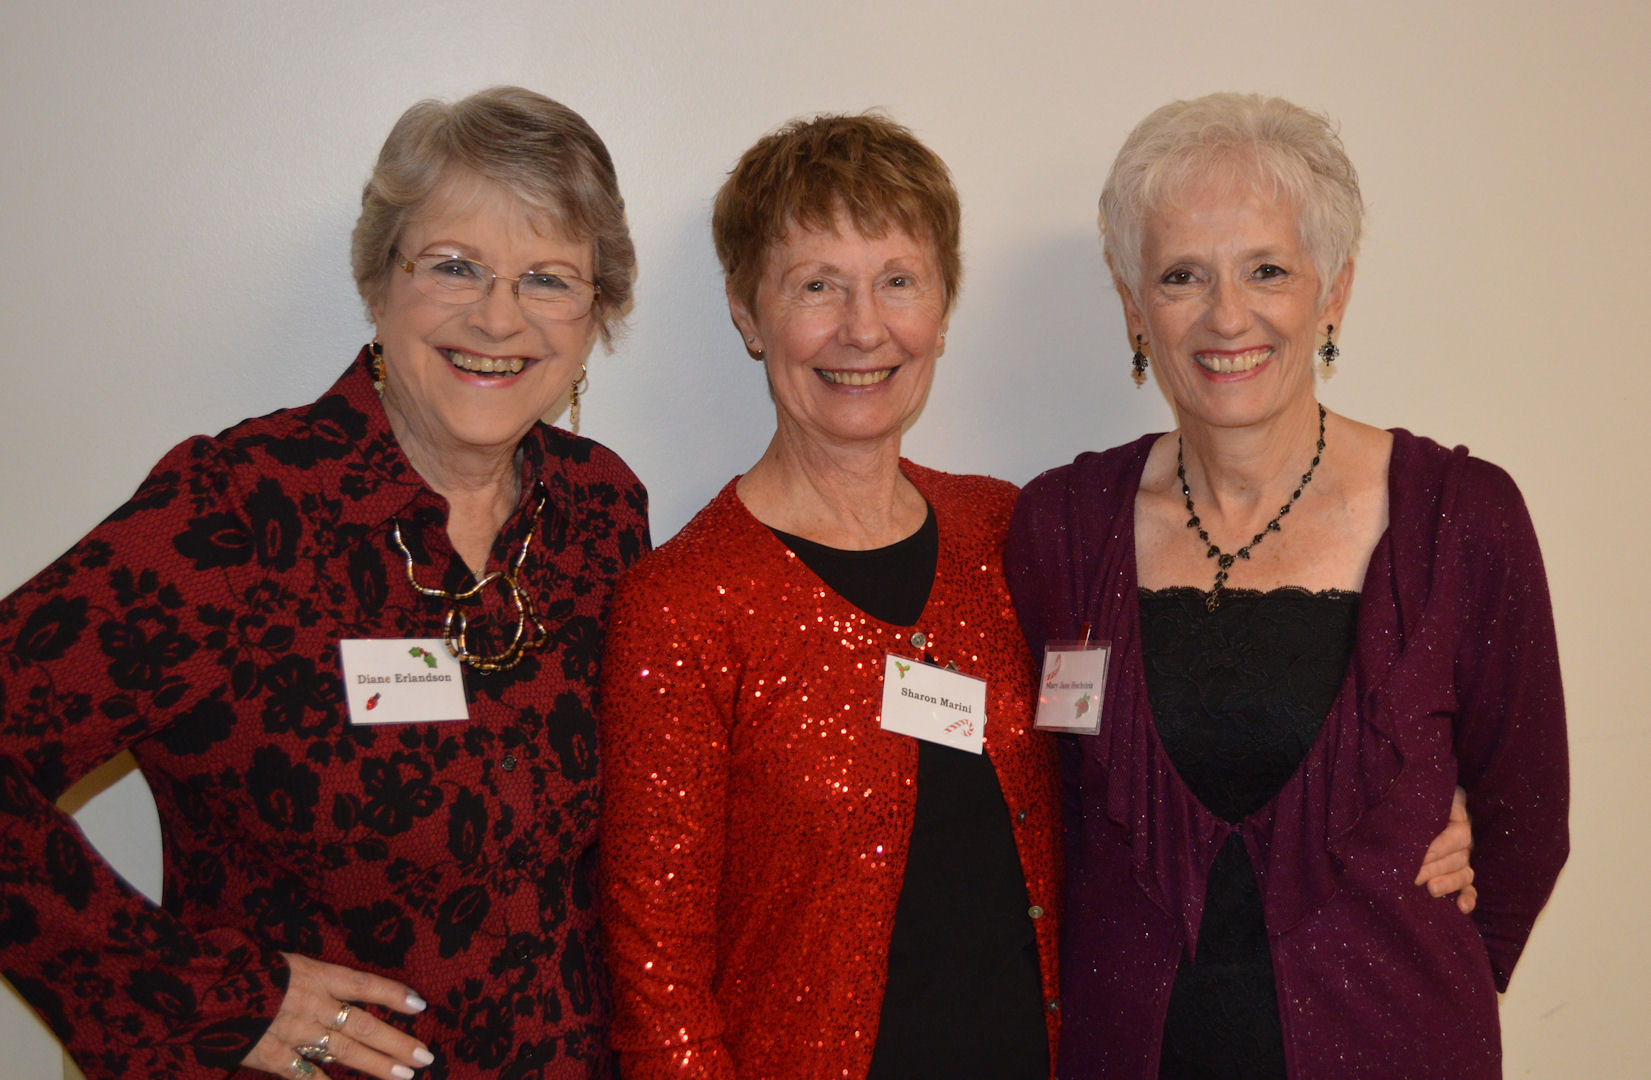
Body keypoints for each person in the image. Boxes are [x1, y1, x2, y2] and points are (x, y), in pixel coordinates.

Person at [0, 87, 649, 1080]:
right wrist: (202, 999)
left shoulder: (600, 512)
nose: (498, 316)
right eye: (454, 265)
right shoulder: (241, 510)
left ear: (594, 311)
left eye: (548, 278)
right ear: (379, 280)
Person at [1005, 92, 1568, 1078]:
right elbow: (1033, 813)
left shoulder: (1458, 521)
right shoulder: (1061, 527)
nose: (1227, 315)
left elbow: (1524, 821)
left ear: (1332, 292)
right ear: (1134, 308)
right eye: (1181, 275)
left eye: (1266, 269)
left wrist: (1426, 993)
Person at [598, 114, 1062, 1080]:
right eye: (816, 285)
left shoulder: (1003, 532)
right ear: (746, 312)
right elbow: (656, 979)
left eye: (898, 280)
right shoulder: (684, 605)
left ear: (942, 306)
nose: (863, 328)